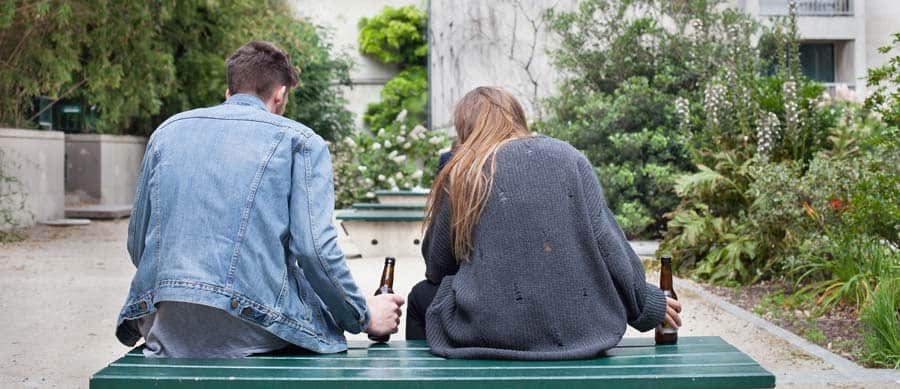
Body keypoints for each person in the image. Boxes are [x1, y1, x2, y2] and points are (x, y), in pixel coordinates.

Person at [116, 41, 404, 358]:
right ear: (280, 94)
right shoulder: (301, 142)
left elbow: (138, 246)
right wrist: (364, 316)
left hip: (168, 325)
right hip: (255, 330)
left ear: (229, 92)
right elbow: (315, 251)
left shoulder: (166, 133)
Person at [405, 86, 682, 360]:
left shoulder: (464, 171)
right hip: (582, 332)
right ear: (517, 117)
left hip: (489, 331)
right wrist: (645, 305)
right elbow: (608, 243)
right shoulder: (569, 157)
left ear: (465, 128)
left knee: (420, 297)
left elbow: (438, 267)